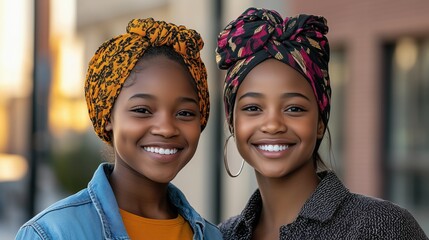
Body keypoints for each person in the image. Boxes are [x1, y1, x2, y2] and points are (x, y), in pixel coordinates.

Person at [215, 7, 428, 240]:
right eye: (253, 108)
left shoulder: (384, 228)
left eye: (294, 108)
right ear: (232, 122)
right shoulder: (221, 235)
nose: (273, 125)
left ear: (320, 122)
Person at [16, 18, 222, 240]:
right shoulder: (52, 233)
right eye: (142, 110)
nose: (166, 129)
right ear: (107, 116)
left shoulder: (211, 236)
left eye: (184, 113)